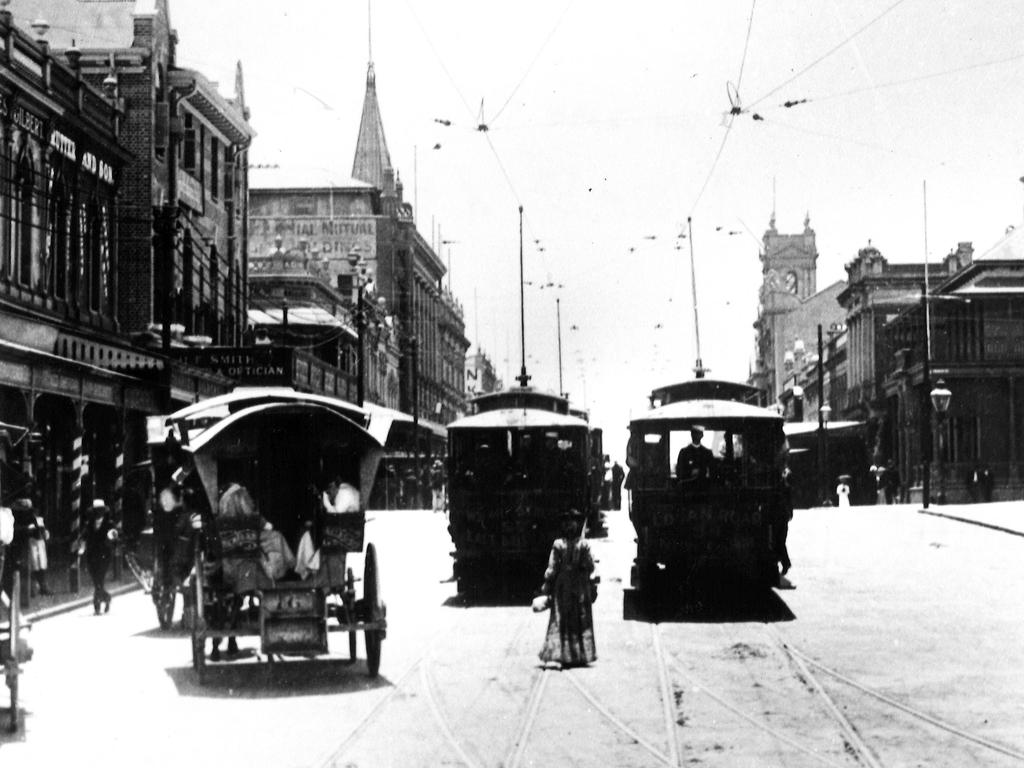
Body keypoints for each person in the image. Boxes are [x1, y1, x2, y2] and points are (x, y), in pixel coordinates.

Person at [537, 508, 597, 668]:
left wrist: (547, 583)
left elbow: (552, 567)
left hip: (563, 585)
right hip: (579, 585)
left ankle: (561, 654)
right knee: (579, 618)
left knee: (561, 618)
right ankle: (579, 654)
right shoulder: (584, 545)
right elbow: (590, 566)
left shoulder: (558, 544)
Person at [152, 484, 194, 629]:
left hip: (175, 550)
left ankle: (180, 613)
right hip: (171, 550)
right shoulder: (176, 513)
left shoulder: (181, 514)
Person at [80, 499, 118, 614]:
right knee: (96, 581)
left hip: (104, 556)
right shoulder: (88, 524)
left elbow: (115, 539)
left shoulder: (110, 524)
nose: (98, 513)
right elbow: (83, 538)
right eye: (96, 511)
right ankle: (107, 598)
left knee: (99, 580)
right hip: (91, 556)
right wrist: (82, 549)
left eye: (100, 511)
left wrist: (110, 542)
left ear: (103, 511)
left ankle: (96, 606)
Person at [26, 499, 52, 596]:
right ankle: (34, 588)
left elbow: (45, 533)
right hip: (32, 542)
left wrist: (44, 533)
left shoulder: (40, 519)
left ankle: (43, 586)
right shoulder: (28, 519)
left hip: (40, 543)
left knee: (42, 564)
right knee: (34, 565)